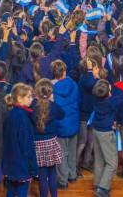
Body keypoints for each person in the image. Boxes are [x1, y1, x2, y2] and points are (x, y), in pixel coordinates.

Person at [91, 67, 123, 197]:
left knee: (99, 160)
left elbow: (100, 87)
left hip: (96, 131)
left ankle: (98, 184)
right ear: (109, 92)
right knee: (112, 163)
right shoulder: (110, 102)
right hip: (105, 134)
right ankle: (102, 189)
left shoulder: (97, 99)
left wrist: (96, 76)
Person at [2, 83, 37, 197]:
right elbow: (26, 145)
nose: (31, 99)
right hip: (22, 164)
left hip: (10, 162)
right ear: (19, 99)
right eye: (28, 97)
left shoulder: (10, 114)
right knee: (22, 191)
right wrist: (33, 168)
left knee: (11, 190)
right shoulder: (23, 118)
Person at [32, 78, 65, 197]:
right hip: (51, 142)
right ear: (50, 93)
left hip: (37, 144)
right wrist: (53, 101)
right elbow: (62, 115)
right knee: (52, 173)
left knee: (42, 176)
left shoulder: (32, 106)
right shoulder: (53, 106)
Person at [50, 60, 80, 189]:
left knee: (61, 153)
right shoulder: (74, 84)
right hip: (74, 123)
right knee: (72, 152)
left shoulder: (51, 89)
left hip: (60, 126)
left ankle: (63, 180)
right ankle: (72, 175)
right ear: (65, 71)